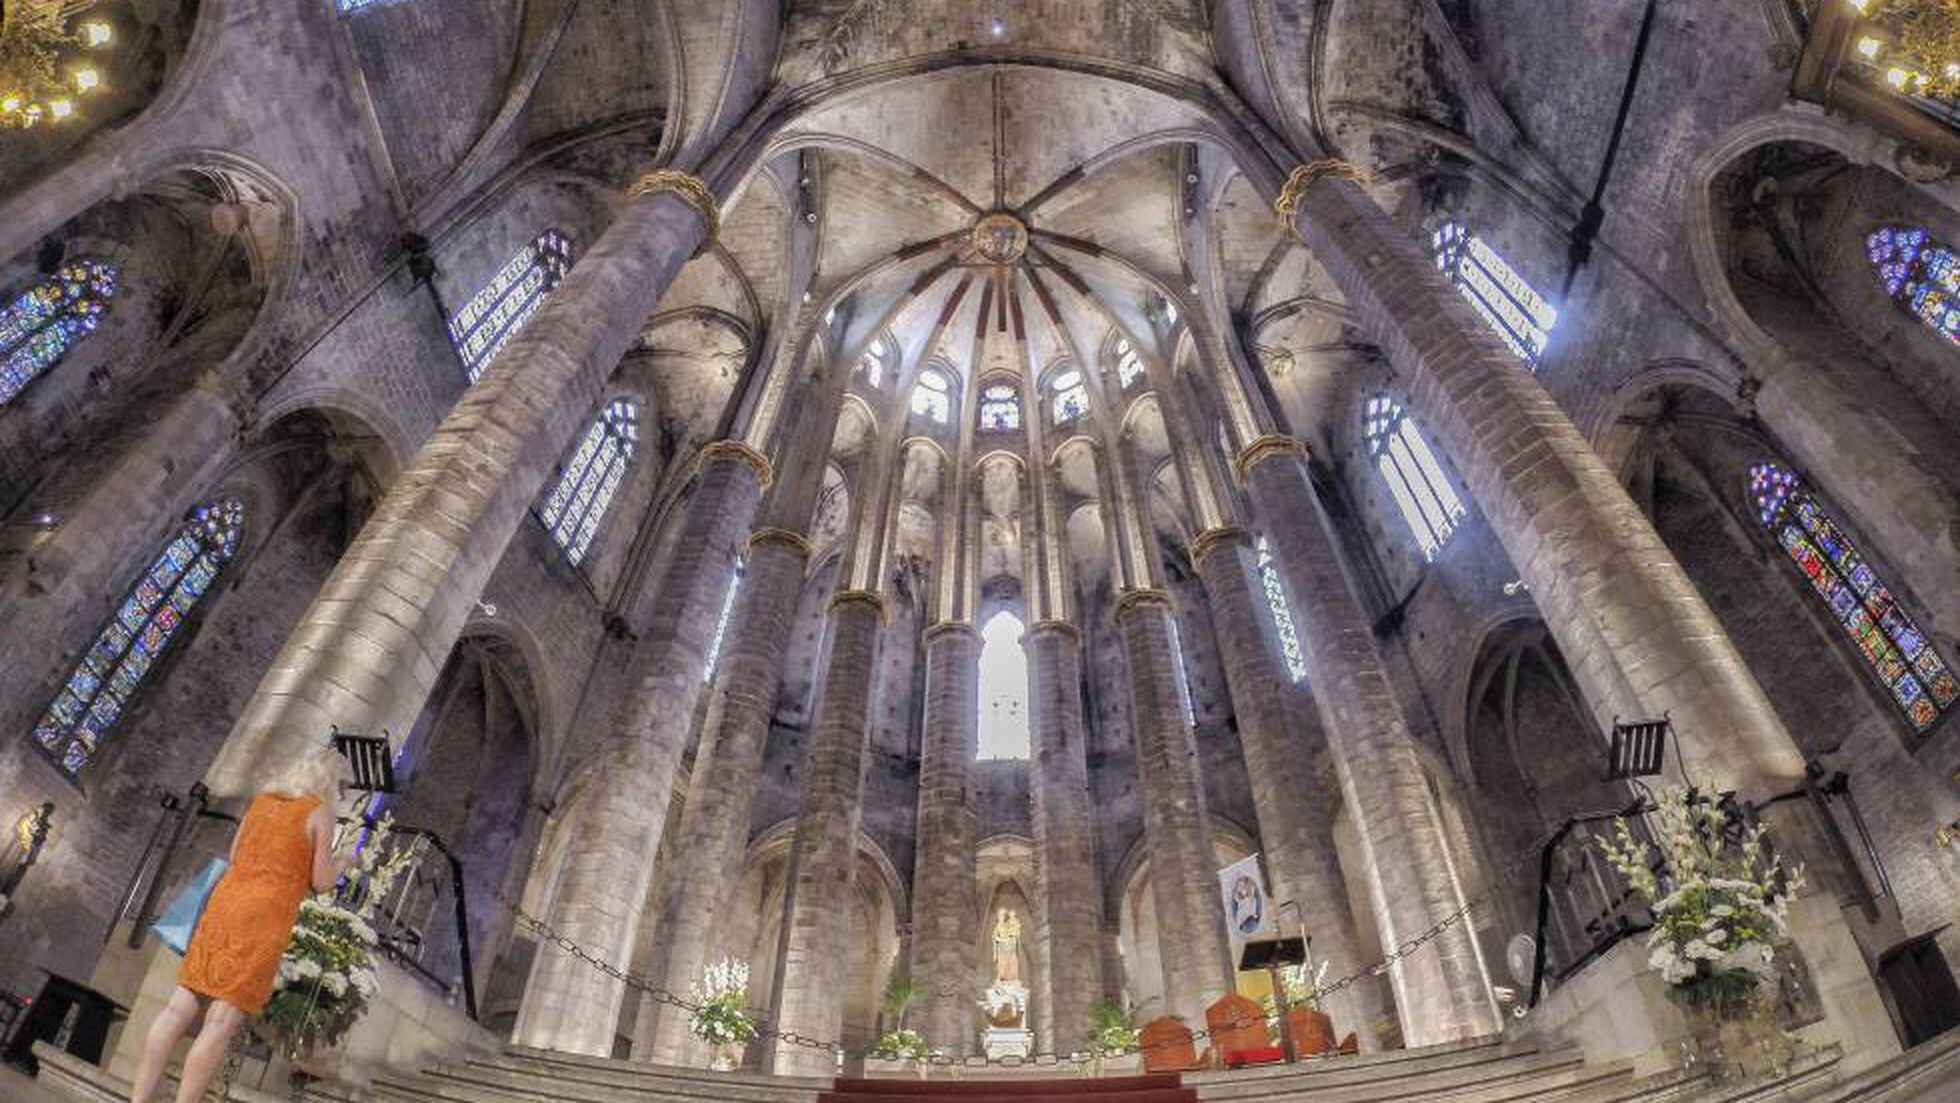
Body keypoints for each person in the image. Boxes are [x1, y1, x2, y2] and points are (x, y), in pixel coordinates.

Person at [130, 748, 350, 1103]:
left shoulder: (262, 800)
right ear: (329, 781)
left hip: (225, 902)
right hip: (263, 917)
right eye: (342, 786)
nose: (341, 794)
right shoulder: (318, 811)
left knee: (176, 1008)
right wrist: (344, 860)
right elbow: (322, 882)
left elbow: (235, 856)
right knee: (219, 1022)